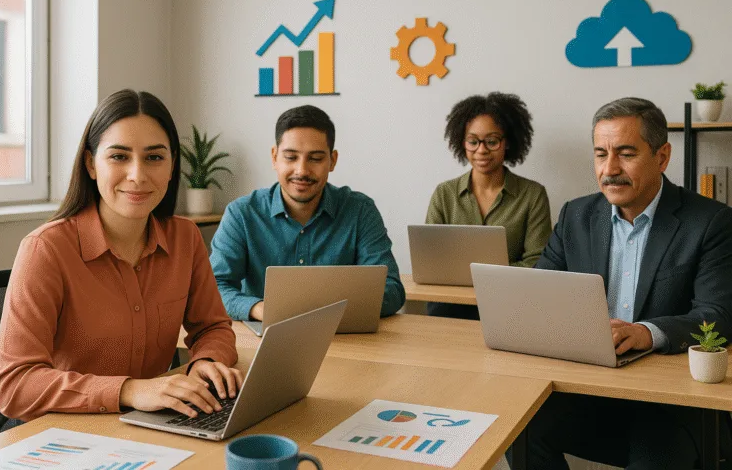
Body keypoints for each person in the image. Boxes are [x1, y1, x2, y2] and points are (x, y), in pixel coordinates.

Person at [0, 90, 242, 423]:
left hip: (149, 424)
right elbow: (14, 385)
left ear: (171, 167)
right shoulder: (45, 250)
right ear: (90, 164)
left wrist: (206, 363)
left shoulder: (185, 238)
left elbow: (212, 327)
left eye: (154, 157)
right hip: (64, 430)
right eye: (119, 157)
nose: (137, 175)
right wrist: (129, 390)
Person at [513, 97, 732, 470]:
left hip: (670, 405)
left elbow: (719, 315)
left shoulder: (711, 222)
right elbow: (541, 294)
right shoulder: (575, 216)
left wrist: (647, 333)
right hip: (587, 389)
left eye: (626, 153)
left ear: (662, 157)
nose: (609, 169)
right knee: (518, 429)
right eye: (600, 154)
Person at [210, 105, 405, 321]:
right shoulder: (242, 214)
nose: (302, 170)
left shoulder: (360, 211)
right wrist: (260, 309)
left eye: (315, 158)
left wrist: (327, 309)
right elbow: (215, 287)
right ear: (274, 157)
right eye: (291, 157)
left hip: (346, 339)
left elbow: (392, 289)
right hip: (266, 339)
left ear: (333, 160)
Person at [426, 92, 551, 319]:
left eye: (492, 141)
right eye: (473, 142)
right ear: (462, 142)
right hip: (449, 305)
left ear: (508, 142)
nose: (481, 150)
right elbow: (430, 260)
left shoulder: (532, 195)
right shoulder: (445, 194)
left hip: (511, 303)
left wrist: (480, 276)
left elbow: (537, 262)